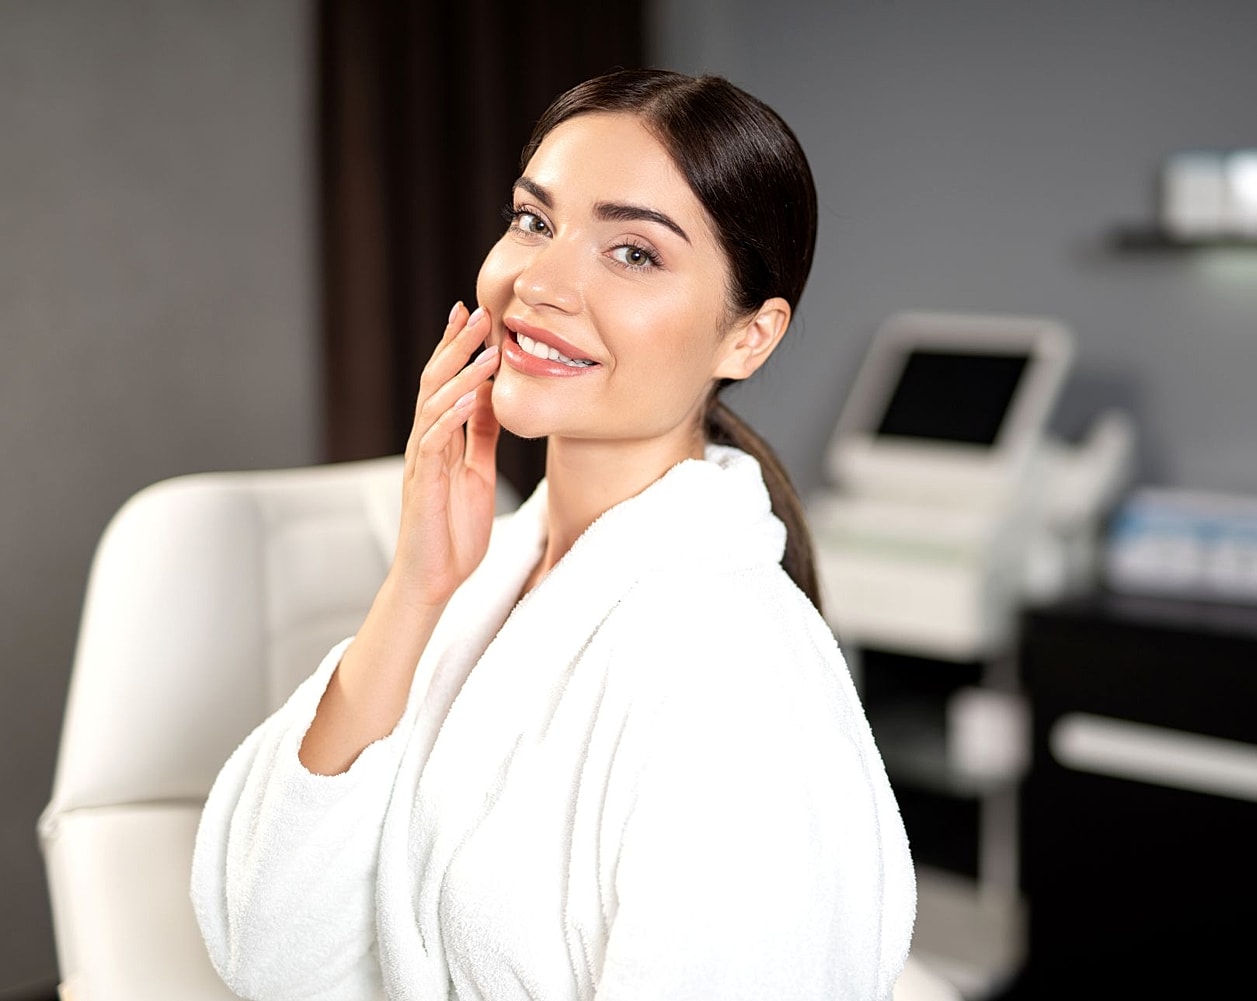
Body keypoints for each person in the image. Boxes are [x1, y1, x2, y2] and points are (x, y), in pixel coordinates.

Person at [191, 68, 915, 1001]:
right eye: (535, 221)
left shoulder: (733, 669)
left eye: (634, 253)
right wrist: (416, 589)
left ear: (749, 338)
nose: (539, 281)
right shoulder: (494, 581)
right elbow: (272, 948)